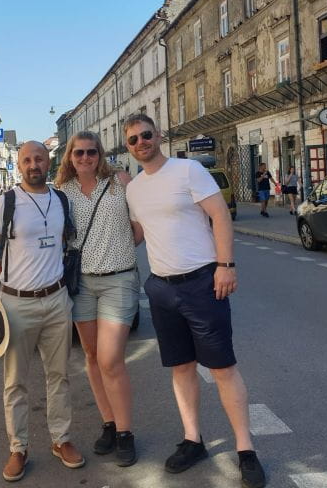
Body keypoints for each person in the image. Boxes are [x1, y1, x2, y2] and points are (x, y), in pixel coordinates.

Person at [123, 114, 266, 488]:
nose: (141, 143)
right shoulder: (134, 189)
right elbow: (138, 233)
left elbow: (219, 215)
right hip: (162, 289)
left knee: (222, 368)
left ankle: (245, 449)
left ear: (159, 136)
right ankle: (193, 440)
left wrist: (226, 265)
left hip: (203, 283)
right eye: (133, 140)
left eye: (146, 135)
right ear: (128, 147)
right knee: (181, 368)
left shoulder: (188, 171)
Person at [0, 141, 85, 483]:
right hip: (15, 303)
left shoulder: (61, 199)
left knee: (59, 375)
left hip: (56, 300)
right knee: (15, 382)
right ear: (19, 165)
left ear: (48, 161)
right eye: (27, 160)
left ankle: (61, 440)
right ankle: (18, 448)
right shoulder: (7, 202)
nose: (34, 164)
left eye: (39, 158)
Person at [55, 131, 143, 467]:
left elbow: (140, 225)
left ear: (100, 154)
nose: (85, 158)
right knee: (91, 355)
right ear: (70, 157)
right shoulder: (62, 193)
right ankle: (109, 423)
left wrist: (118, 247)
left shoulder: (121, 183)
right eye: (79, 153)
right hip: (81, 284)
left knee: (110, 358)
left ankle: (125, 433)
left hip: (119, 279)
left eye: (92, 152)